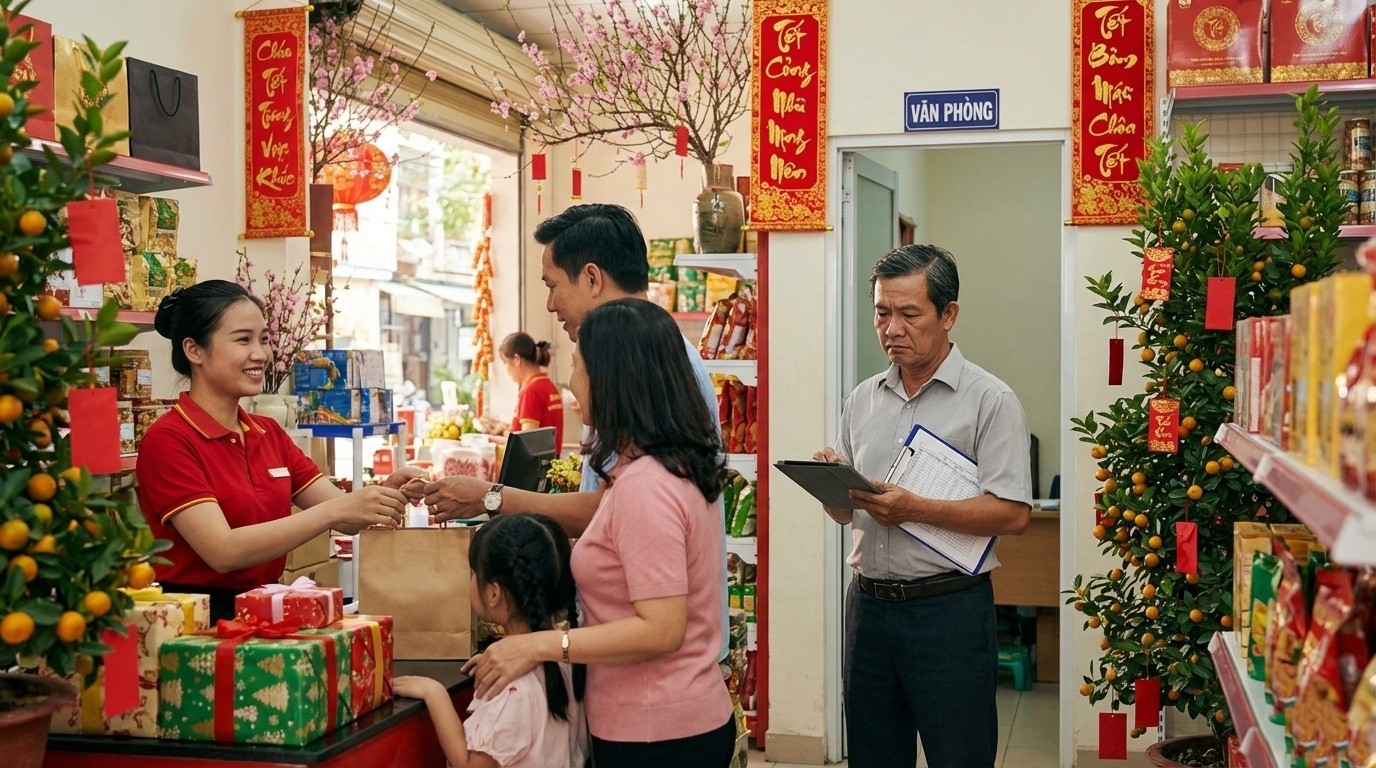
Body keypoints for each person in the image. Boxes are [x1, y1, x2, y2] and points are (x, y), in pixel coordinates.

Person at [463, 299, 733, 768]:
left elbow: (662, 629)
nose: (571, 383)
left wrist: (539, 644)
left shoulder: (646, 485)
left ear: (612, 380)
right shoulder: (664, 467)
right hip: (674, 719)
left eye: (578, 367)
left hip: (656, 732)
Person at [813, 245, 1032, 768]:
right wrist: (834, 487)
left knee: (959, 756)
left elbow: (1013, 514)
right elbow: (847, 515)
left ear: (948, 313)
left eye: (909, 314)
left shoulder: (989, 400)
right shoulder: (862, 398)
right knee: (872, 755)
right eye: (882, 312)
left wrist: (915, 508)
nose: (892, 328)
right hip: (867, 610)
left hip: (947, 612)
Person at [416, 204, 716, 538]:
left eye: (552, 285)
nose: (550, 304)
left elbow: (615, 508)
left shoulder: (652, 364)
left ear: (591, 278)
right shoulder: (646, 353)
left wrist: (491, 496)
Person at [136, 280, 418, 621]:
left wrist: (385, 495)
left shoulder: (267, 432)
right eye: (243, 339)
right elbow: (222, 551)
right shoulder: (168, 440)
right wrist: (336, 512)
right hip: (195, 623)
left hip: (264, 610)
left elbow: (345, 520)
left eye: (264, 339)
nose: (261, 354)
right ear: (194, 350)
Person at [393, 513, 588, 768]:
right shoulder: (569, 658)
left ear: (493, 593)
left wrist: (435, 693)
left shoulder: (509, 690)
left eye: (473, 573)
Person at [499, 331, 563, 447]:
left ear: (517, 359)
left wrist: (494, 441)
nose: (506, 369)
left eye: (505, 363)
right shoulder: (549, 386)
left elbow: (526, 443)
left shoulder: (530, 391)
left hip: (534, 464)